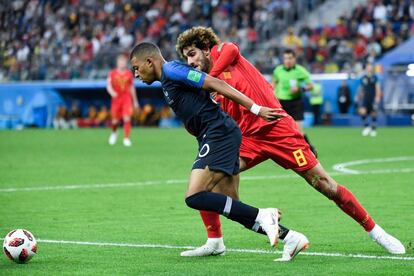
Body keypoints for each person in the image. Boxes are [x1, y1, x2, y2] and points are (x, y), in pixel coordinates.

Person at [176, 26, 405, 258]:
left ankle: (375, 231)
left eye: (192, 53)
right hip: (248, 139)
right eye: (186, 57)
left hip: (278, 130)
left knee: (325, 184)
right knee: (205, 183)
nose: (190, 61)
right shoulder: (209, 90)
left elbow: (232, 48)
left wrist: (208, 82)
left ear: (205, 49)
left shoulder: (221, 52)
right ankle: (216, 241)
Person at [130, 42, 296, 262]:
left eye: (136, 67)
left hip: (219, 134)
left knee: (195, 195)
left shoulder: (173, 70)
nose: (135, 74)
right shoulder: (168, 80)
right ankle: (291, 237)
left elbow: (215, 83)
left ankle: (264, 215)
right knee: (232, 205)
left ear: (149, 61)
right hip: (212, 135)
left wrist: (255, 108)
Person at [272, 49, 317, 156]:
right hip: (281, 103)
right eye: (285, 58)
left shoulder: (300, 71)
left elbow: (311, 86)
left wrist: (301, 89)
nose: (287, 61)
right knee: (280, 130)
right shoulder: (278, 70)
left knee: (298, 130)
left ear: (294, 59)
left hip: (296, 103)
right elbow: (273, 85)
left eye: (290, 58)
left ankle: (310, 150)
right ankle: (282, 153)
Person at [107, 54, 139, 147]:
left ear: (125, 63)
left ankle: (126, 138)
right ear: (117, 63)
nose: (121, 63)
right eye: (120, 62)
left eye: (123, 62)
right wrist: (112, 92)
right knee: (115, 121)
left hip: (126, 98)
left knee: (127, 118)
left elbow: (131, 87)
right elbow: (108, 85)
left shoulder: (129, 74)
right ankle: (114, 133)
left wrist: (135, 101)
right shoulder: (112, 73)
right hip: (116, 99)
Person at [356, 63, 382, 137]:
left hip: (372, 98)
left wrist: (377, 97)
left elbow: (378, 88)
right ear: (366, 68)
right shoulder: (363, 78)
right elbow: (361, 88)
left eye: (370, 67)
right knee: (362, 111)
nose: (369, 68)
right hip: (365, 98)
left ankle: (373, 129)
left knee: (373, 113)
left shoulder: (375, 77)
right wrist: (360, 96)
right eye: (368, 67)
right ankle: (366, 126)